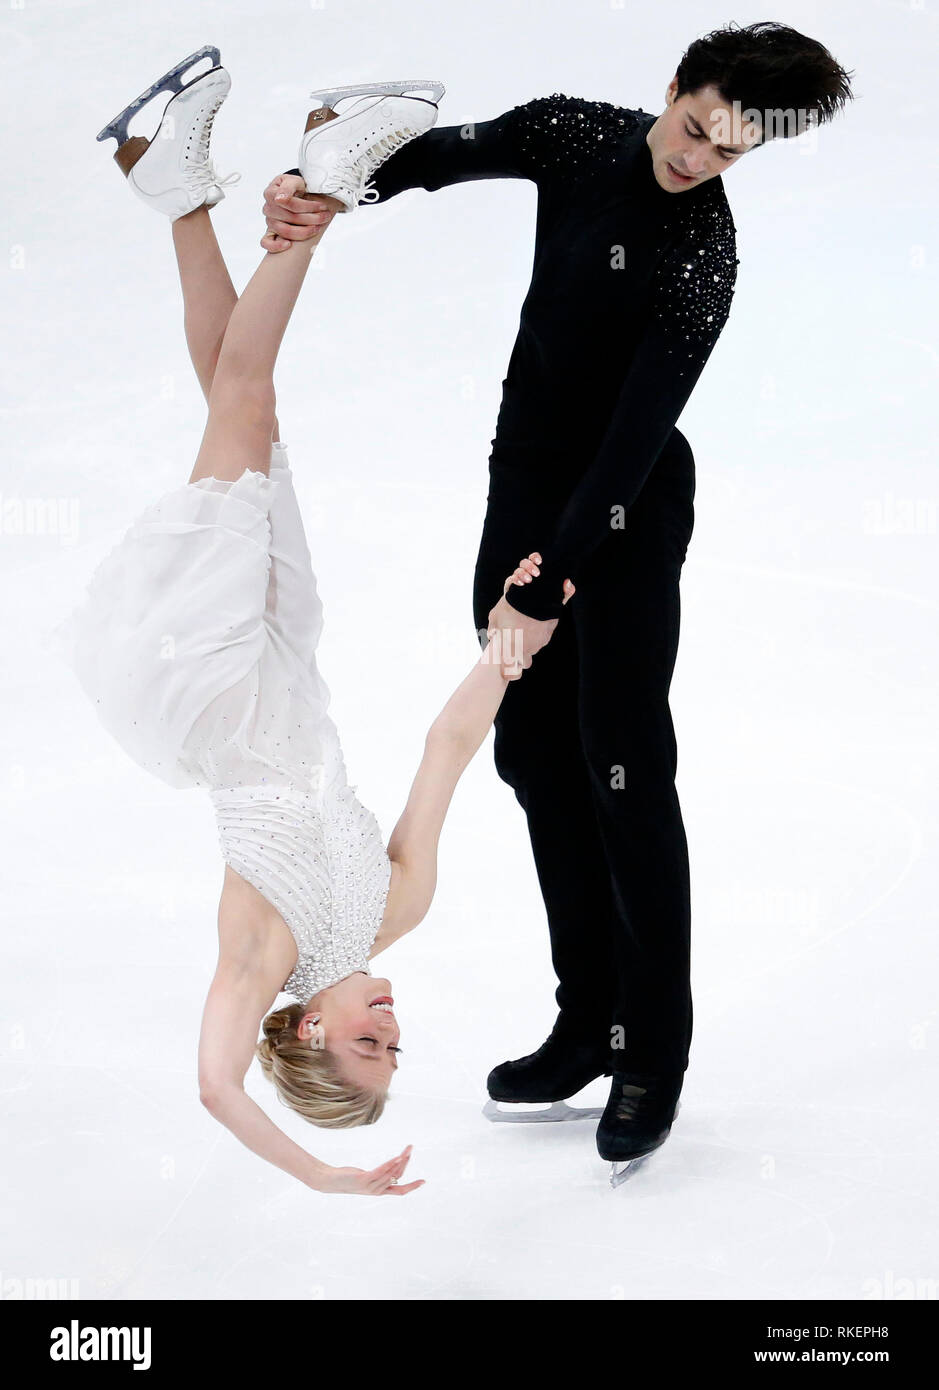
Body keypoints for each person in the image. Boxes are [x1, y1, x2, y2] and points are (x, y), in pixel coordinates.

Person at [264, 21, 855, 1174]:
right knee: (534, 757)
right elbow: (440, 155)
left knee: (624, 764)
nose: (696, 161)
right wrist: (326, 188)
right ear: (673, 87)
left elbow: (635, 436)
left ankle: (654, 1053)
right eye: (693, 130)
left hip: (622, 512)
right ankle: (589, 1018)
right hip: (524, 481)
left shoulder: (702, 260)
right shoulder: (576, 136)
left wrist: (549, 575)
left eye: (729, 154)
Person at [53, 50, 574, 1198]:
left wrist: (321, 1178)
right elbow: (447, 749)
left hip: (213, 676)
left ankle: (324, 185)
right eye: (398, 1045)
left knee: (244, 400)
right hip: (287, 657)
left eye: (367, 1045)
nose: (389, 1025)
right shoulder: (402, 908)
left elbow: (211, 1088)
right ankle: (173, 181)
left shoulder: (263, 958)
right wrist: (510, 645)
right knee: (247, 406)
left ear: (301, 1034)